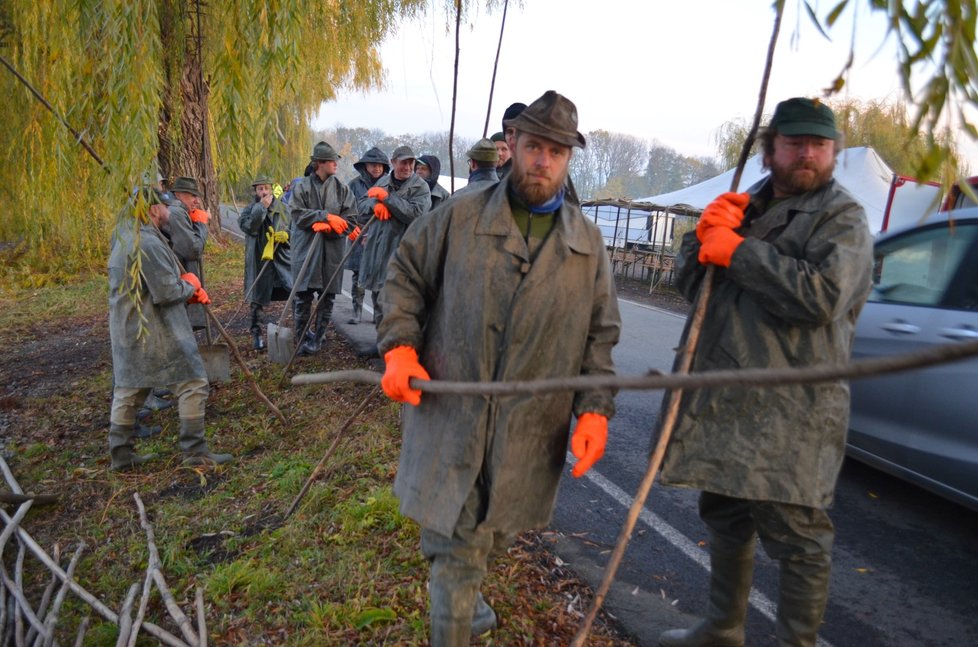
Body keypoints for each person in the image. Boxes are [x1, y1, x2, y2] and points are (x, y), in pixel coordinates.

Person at [376, 90, 621, 645]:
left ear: (568, 159)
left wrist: (594, 413)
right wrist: (399, 345)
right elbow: (405, 276)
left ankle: (468, 596)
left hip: (528, 435)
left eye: (556, 152)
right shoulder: (458, 217)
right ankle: (458, 605)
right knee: (456, 554)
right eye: (534, 146)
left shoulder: (587, 244)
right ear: (512, 145)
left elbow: (600, 337)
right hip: (453, 417)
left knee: (495, 536)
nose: (543, 160)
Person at [656, 98, 874, 647]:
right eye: (795, 142)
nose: (807, 154)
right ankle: (724, 628)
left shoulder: (842, 218)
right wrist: (701, 242)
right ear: (770, 147)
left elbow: (821, 297)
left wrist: (737, 252)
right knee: (725, 514)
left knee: (798, 537)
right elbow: (691, 290)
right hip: (725, 398)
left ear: (833, 153)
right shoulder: (742, 204)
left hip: (791, 410)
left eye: (819, 145)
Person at [108, 188, 232, 470]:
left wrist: (185, 282)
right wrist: (191, 284)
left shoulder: (124, 236)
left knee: (130, 389)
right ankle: (195, 453)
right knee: (192, 383)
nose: (169, 212)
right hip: (155, 329)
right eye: (165, 207)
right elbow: (166, 292)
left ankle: (121, 457)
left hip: (128, 328)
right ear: (153, 211)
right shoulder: (147, 244)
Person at [288, 141, 357, 355]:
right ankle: (300, 338)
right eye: (331, 160)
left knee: (327, 297)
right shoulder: (302, 187)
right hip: (306, 250)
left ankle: (318, 339)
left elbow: (351, 221)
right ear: (319, 163)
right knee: (303, 296)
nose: (335, 163)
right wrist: (323, 216)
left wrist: (331, 228)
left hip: (331, 252)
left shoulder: (342, 189)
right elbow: (297, 214)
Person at [358, 145, 431, 327]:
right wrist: (373, 206)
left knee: (396, 303)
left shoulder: (420, 187)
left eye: (410, 162)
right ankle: (380, 345)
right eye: (403, 163)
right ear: (393, 163)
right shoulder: (382, 182)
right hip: (377, 250)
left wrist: (388, 200)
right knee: (377, 298)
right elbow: (360, 206)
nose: (407, 167)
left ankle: (391, 350)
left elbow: (416, 213)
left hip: (403, 252)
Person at [238, 175, 292, 351]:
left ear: (271, 190)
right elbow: (249, 227)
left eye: (266, 188)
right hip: (260, 262)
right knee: (257, 300)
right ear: (255, 191)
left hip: (281, 262)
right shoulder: (249, 210)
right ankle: (257, 334)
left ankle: (301, 331)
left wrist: (287, 237)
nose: (263, 192)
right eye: (260, 189)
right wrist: (261, 208)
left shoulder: (284, 209)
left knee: (295, 294)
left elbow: (295, 232)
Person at [346, 147, 390, 324]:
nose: (376, 169)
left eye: (379, 166)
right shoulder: (354, 185)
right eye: (373, 165)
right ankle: (356, 311)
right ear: (365, 166)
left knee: (378, 276)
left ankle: (377, 313)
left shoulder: (389, 184)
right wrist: (352, 229)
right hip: (359, 232)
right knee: (358, 276)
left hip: (380, 234)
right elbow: (347, 209)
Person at [164, 176, 209, 330]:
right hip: (175, 280)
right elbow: (193, 250)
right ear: (178, 194)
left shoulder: (178, 210)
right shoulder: (176, 212)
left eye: (197, 196)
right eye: (192, 195)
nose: (197, 201)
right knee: (178, 327)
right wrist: (201, 225)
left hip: (177, 279)